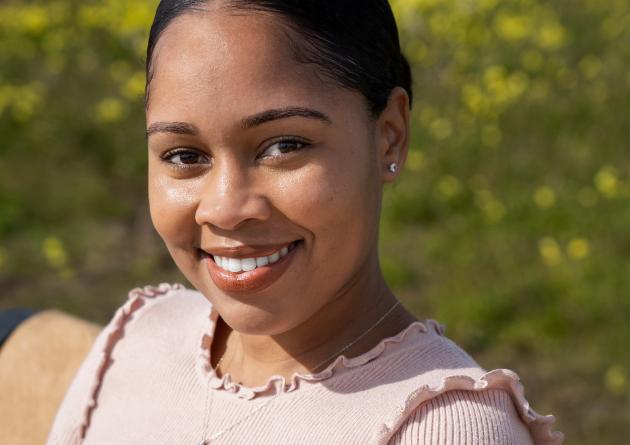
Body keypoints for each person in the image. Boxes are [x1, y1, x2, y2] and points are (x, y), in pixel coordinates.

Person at [46, 1, 564, 443]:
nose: (225, 207)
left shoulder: (442, 427)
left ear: (389, 135)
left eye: (283, 146)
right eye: (184, 155)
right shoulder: (138, 338)